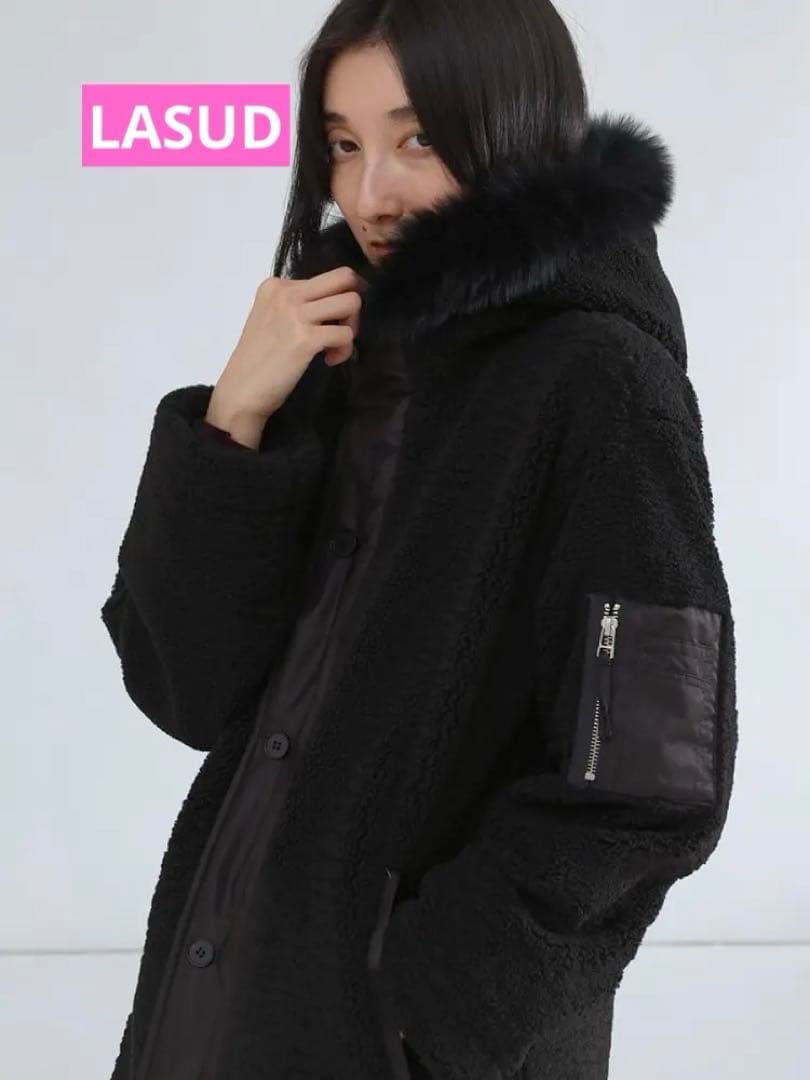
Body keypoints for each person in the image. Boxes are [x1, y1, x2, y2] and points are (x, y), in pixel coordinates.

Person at [100, 1, 738, 1078]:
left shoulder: (603, 385)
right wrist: (235, 419)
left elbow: (652, 780)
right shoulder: (331, 355)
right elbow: (184, 690)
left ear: (520, 129)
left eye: (418, 139)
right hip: (220, 993)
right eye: (344, 146)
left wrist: (436, 1005)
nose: (369, 194)